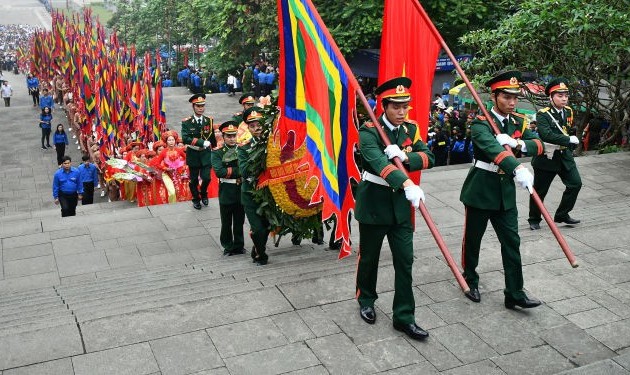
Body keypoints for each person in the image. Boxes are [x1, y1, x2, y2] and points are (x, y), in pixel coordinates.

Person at [354, 77, 435, 341]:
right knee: (369, 258)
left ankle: (404, 317)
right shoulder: (369, 131)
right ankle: (366, 298)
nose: (402, 112)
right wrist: (406, 181)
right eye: (396, 107)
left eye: (405, 107)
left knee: (405, 261)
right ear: (383, 106)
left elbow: (428, 157)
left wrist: (404, 157)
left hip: (401, 206)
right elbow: (376, 161)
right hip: (375, 202)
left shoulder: (411, 128)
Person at [459, 71, 544, 309]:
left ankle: (514, 292)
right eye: (506, 97)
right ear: (494, 96)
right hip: (481, 188)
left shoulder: (519, 121)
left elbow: (537, 144)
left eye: (515, 97)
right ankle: (470, 278)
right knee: (473, 240)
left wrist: (518, 143)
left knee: (511, 242)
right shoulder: (481, 123)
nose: (512, 102)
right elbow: (492, 151)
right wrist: (516, 167)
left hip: (505, 192)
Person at [528, 77, 582, 230]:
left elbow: (568, 129)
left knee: (575, 184)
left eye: (566, 95)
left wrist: (571, 140)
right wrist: (567, 139)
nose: (564, 99)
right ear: (551, 97)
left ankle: (562, 214)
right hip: (547, 158)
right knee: (539, 191)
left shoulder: (569, 111)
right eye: (560, 95)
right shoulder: (543, 114)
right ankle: (534, 219)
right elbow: (546, 135)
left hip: (565, 156)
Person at [238, 107, 270, 265]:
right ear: (248, 128)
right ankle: (261, 254)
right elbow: (244, 171)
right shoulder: (244, 148)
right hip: (250, 194)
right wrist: (259, 157)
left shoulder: (273, 144)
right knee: (258, 228)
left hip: (269, 193)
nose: (257, 127)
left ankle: (257, 248)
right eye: (252, 125)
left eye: (259, 124)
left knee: (268, 225)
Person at [212, 121, 246, 256]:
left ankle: (239, 245)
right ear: (223, 137)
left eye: (234, 136)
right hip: (226, 189)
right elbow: (219, 172)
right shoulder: (218, 152)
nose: (232, 139)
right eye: (229, 136)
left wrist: (234, 170)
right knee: (226, 221)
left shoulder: (242, 149)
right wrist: (240, 170)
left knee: (239, 220)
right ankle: (227, 245)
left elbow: (247, 168)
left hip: (240, 189)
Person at [181, 93, 215, 210]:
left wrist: (215, 149)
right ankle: (196, 199)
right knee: (194, 180)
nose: (201, 108)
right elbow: (185, 138)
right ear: (193, 107)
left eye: (202, 106)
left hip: (206, 154)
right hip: (194, 154)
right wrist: (201, 142)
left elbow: (212, 137)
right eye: (198, 106)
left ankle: (204, 193)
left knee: (207, 178)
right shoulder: (187, 122)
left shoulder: (208, 120)